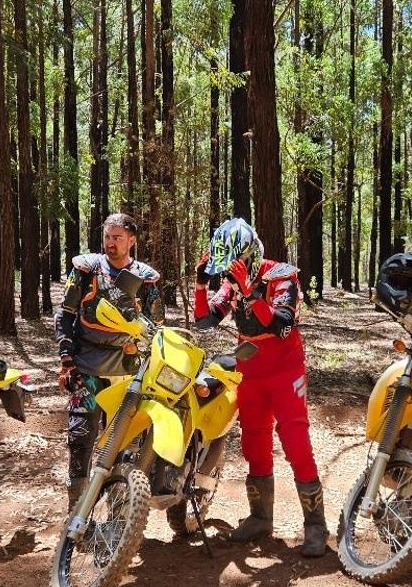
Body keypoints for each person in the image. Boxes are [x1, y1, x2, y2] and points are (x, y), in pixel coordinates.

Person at [193, 217, 327, 558]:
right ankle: (260, 518)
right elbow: (205, 320)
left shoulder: (281, 275)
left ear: (250, 256)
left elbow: (281, 324)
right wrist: (200, 284)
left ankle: (315, 525)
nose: (229, 273)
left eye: (233, 266)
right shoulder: (231, 282)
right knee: (254, 440)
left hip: (285, 369)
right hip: (250, 369)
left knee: (296, 443)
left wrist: (250, 292)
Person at [54, 213, 164, 509]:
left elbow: (156, 324)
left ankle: (119, 512)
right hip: (86, 365)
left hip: (126, 369)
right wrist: (66, 359)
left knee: (124, 441)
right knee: (80, 436)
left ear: (132, 240)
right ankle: (77, 510)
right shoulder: (86, 269)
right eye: (107, 237)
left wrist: (143, 348)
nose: (111, 243)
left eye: (117, 237)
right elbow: (65, 315)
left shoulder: (146, 277)